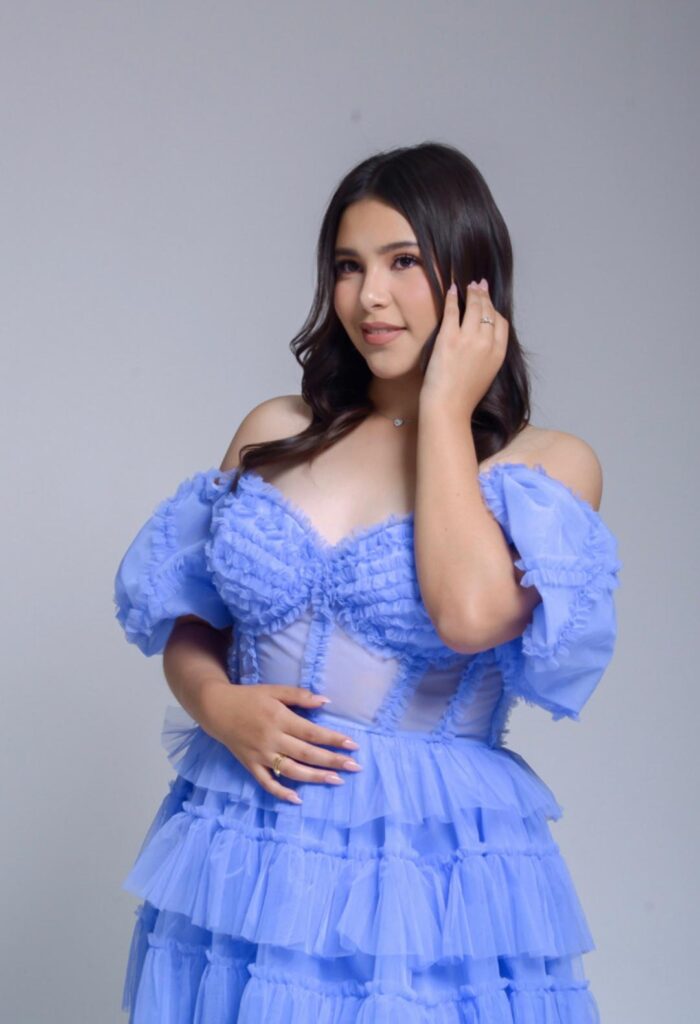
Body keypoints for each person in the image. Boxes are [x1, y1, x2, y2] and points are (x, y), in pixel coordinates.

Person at [113, 141, 622, 1023]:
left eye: (403, 262)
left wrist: (444, 410)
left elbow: (467, 615)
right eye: (348, 267)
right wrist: (216, 704)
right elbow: (193, 618)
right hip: (242, 836)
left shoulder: (546, 467)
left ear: (472, 275)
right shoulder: (275, 430)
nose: (369, 297)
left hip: (417, 868)